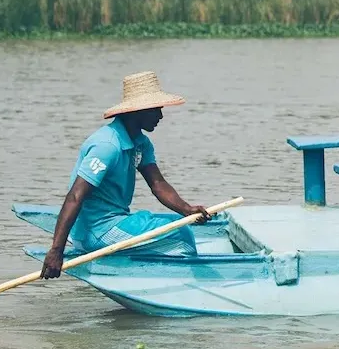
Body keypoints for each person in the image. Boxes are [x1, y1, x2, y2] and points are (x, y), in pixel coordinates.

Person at [39, 71, 211, 280]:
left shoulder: (141, 143)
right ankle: (184, 281)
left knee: (180, 224)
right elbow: (75, 196)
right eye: (156, 110)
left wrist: (187, 210)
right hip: (96, 230)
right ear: (137, 112)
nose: (160, 116)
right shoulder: (107, 146)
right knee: (181, 236)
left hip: (116, 220)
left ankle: (150, 268)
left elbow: (158, 184)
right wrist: (57, 251)